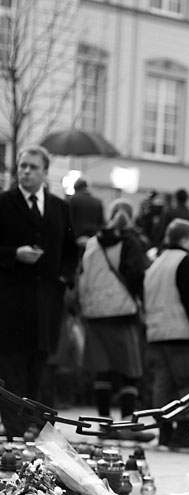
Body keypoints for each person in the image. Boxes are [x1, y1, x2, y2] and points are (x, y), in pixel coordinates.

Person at [0, 145, 79, 440]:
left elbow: (71, 250)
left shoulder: (59, 207)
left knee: (41, 367)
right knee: (12, 367)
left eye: (32, 167)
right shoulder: (4, 203)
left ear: (45, 172)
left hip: (47, 302)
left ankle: (39, 428)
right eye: (22, 166)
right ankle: (15, 431)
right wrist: (14, 254)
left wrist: (65, 277)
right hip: (11, 303)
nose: (25, 172)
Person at [78, 198, 153, 441]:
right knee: (128, 371)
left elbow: (82, 275)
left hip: (95, 312)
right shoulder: (130, 241)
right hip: (122, 312)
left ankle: (104, 425)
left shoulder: (92, 242)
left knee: (103, 370)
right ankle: (127, 424)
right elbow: (136, 275)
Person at [144, 218, 189, 450]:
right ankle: (183, 433)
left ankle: (165, 433)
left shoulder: (156, 262)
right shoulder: (185, 261)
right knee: (188, 383)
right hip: (180, 331)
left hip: (156, 332)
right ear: (184, 239)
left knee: (163, 384)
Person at [69, 177, 105, 251]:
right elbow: (101, 222)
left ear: (75, 188)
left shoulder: (72, 200)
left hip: (75, 238)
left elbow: (69, 220)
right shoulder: (97, 201)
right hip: (93, 238)